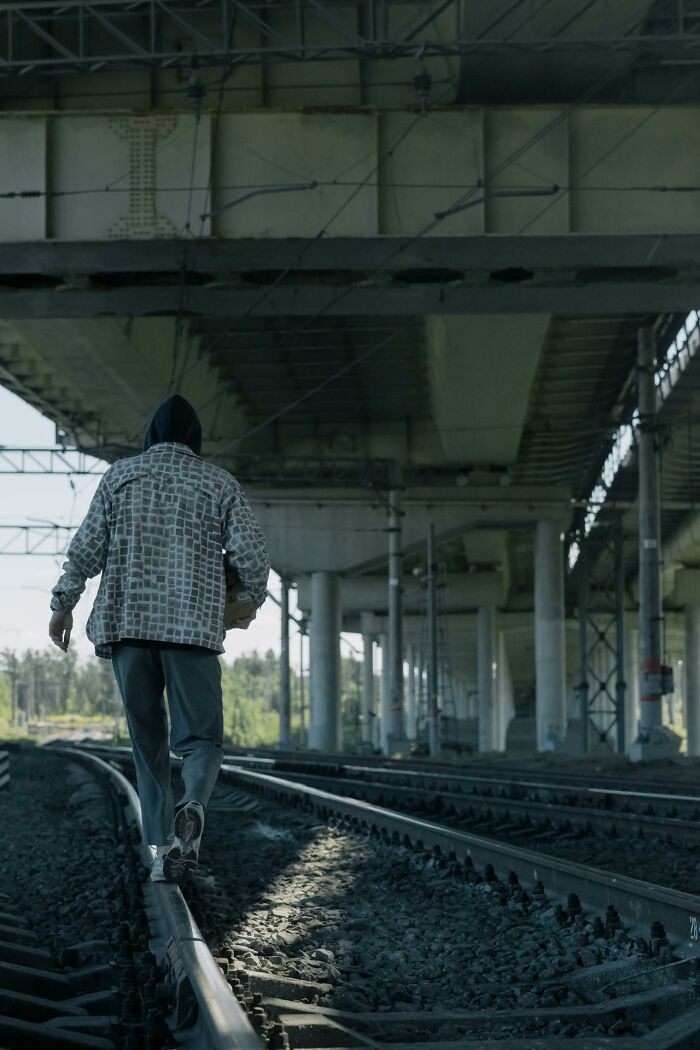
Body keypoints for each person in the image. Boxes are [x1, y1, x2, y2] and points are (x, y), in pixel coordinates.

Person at [48, 395, 270, 882]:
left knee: (147, 743)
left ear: (151, 436)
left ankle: (161, 847)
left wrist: (63, 604)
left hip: (128, 629)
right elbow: (252, 558)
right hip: (192, 630)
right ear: (195, 440)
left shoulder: (119, 477)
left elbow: (86, 549)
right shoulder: (219, 483)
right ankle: (193, 806)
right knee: (202, 740)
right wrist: (247, 599)